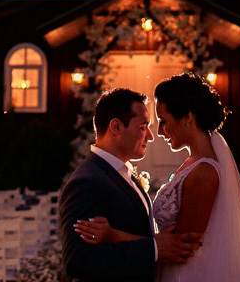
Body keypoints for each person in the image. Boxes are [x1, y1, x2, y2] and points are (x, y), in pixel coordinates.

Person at [74, 74, 240, 282]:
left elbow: (178, 248)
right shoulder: (192, 163)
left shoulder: (204, 172)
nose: (158, 132)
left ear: (187, 117)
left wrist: (113, 235)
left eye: (163, 121)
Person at [59, 87, 203, 282]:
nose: (150, 137)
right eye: (143, 127)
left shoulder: (121, 172)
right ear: (116, 127)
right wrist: (153, 250)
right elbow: (79, 261)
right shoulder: (87, 182)